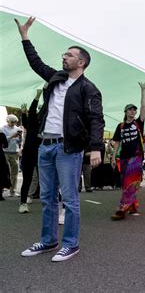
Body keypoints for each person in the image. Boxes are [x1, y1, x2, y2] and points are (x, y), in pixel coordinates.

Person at [16, 17, 104, 262]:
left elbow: (97, 119)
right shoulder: (56, 78)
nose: (64, 57)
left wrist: (96, 147)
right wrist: (25, 37)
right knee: (46, 198)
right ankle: (48, 241)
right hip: (45, 146)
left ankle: (71, 244)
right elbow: (35, 63)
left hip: (68, 149)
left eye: (69, 54)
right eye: (64, 54)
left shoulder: (89, 88)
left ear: (81, 62)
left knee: (69, 199)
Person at [111, 82, 145, 220]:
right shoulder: (120, 126)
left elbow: (144, 107)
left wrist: (143, 91)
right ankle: (133, 206)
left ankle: (122, 209)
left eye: (134, 110)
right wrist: (114, 158)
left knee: (129, 182)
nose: (133, 111)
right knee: (125, 183)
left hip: (136, 157)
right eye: (130, 110)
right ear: (125, 112)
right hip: (123, 158)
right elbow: (117, 143)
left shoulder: (138, 123)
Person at [19, 88, 44, 213]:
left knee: (47, 179)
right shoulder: (33, 124)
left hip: (43, 154)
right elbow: (31, 113)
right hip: (29, 154)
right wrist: (38, 95)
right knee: (27, 179)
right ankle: (23, 203)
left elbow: (47, 106)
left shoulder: (47, 126)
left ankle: (56, 203)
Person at [1, 114, 22, 197]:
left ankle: (12, 190)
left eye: (15, 122)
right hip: (5, 152)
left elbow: (19, 142)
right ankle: (2, 190)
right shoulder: (2, 129)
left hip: (14, 152)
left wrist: (20, 138)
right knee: (4, 172)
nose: (13, 123)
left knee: (15, 172)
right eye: (12, 122)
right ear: (7, 121)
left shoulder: (18, 129)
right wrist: (12, 136)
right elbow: (2, 140)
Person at [0, 131, 11, 201]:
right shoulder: (1, 135)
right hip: (0, 155)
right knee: (2, 173)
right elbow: (6, 145)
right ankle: (0, 194)